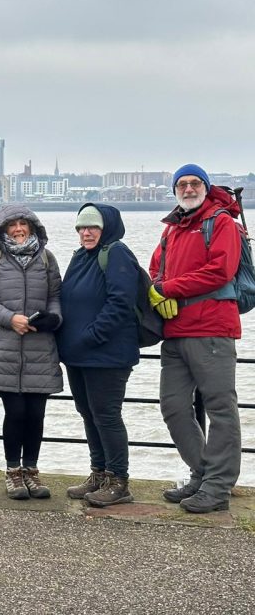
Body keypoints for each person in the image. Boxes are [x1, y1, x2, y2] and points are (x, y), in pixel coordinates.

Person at [148, 164, 243, 514]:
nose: (188, 189)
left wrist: (167, 288)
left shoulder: (220, 222)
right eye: (182, 184)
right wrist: (158, 288)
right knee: (173, 405)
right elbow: (155, 270)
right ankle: (203, 473)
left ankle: (217, 487)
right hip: (175, 331)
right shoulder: (172, 229)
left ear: (205, 186)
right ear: (175, 190)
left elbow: (221, 270)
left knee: (220, 408)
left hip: (212, 329)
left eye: (194, 183)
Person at [0, 204, 63, 500]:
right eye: (12, 225)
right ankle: (13, 472)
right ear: (3, 230)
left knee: (37, 413)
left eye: (24, 223)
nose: (19, 229)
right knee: (16, 411)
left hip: (40, 346)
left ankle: (32, 472)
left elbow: (55, 297)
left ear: (34, 227)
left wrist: (54, 318)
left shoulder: (47, 259)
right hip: (4, 347)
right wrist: (10, 318)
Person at [57, 204, 139, 507]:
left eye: (93, 226)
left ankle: (119, 481)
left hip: (107, 355)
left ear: (107, 227)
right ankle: (99, 473)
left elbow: (121, 302)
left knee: (106, 415)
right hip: (78, 356)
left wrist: (92, 336)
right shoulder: (80, 257)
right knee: (88, 413)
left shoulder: (116, 253)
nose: (86, 232)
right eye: (81, 227)